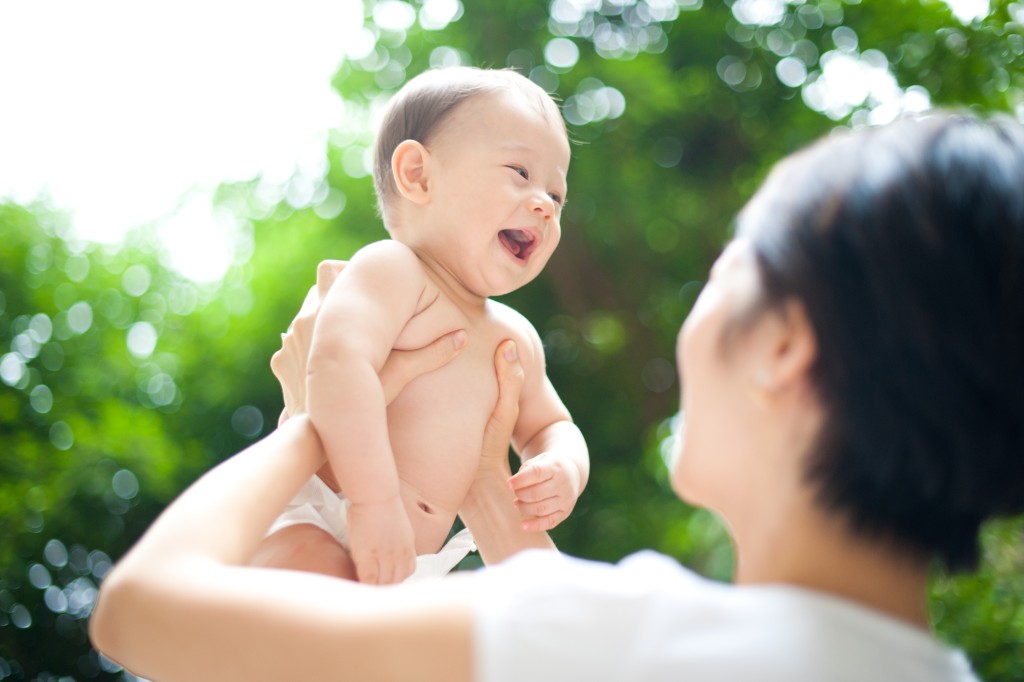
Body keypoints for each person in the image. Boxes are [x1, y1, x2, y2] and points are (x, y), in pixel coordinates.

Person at [89, 110, 1024, 681]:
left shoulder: (632, 641)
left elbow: (142, 613)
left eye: (729, 268)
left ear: (784, 345)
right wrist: (480, 472)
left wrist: (305, 429)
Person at [253, 66, 589, 584]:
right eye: (520, 172)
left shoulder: (513, 335)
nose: (545, 204)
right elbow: (337, 365)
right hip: (327, 516)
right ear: (419, 175)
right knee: (311, 602)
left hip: (419, 564)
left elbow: (552, 425)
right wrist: (373, 502)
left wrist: (562, 465)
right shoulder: (391, 270)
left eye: (557, 195)